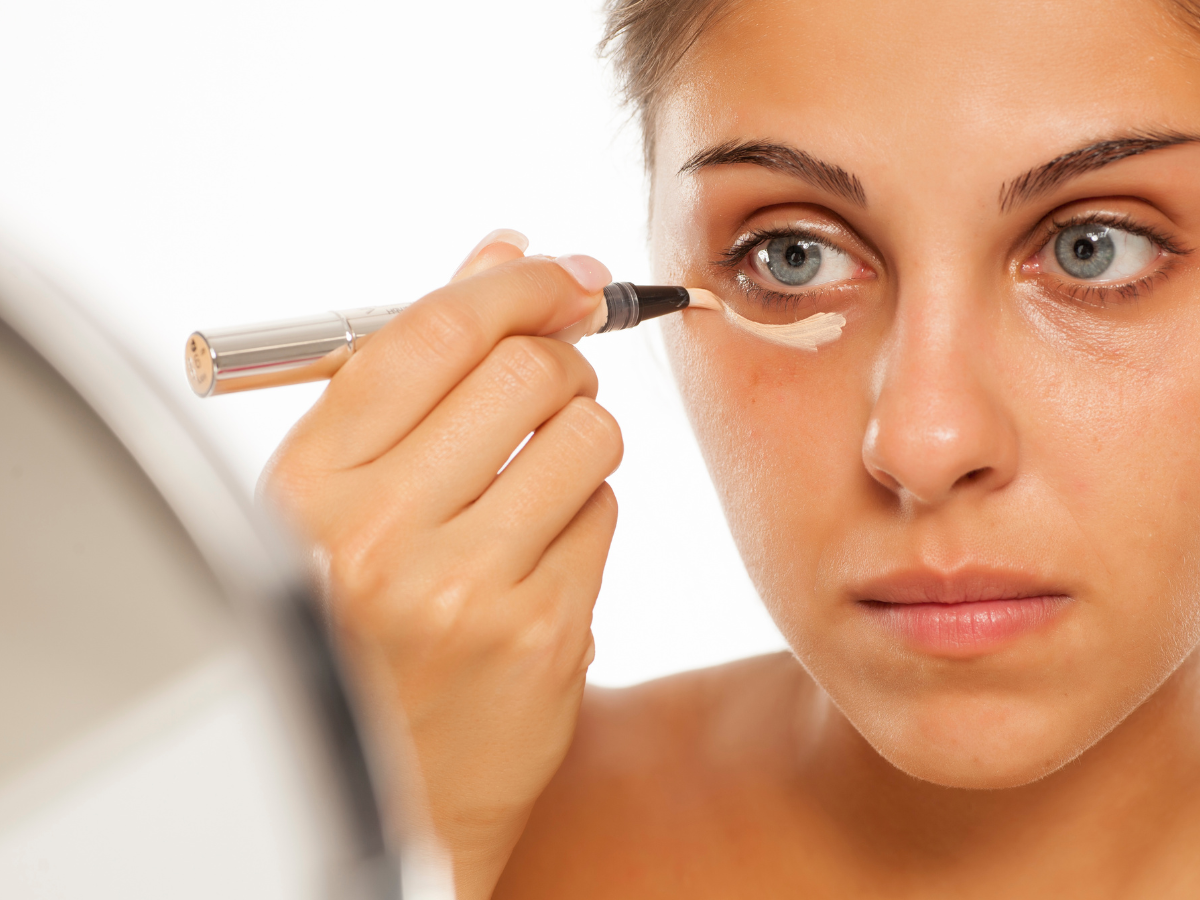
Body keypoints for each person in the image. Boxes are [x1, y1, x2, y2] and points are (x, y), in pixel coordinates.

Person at [260, 0, 1200, 895]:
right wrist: (359, 826)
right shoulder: (439, 816)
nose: (925, 443)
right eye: (793, 255)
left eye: (1095, 246)